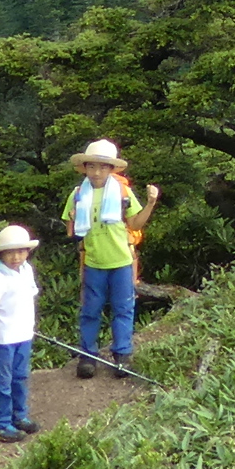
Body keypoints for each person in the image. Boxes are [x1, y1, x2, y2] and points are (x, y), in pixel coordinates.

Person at [64, 138, 158, 377]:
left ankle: (122, 355)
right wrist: (75, 219)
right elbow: (71, 231)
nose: (97, 172)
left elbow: (135, 222)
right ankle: (87, 356)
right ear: (85, 168)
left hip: (122, 261)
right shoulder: (77, 195)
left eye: (103, 167)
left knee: (123, 308)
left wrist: (151, 203)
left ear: (111, 169)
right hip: (93, 261)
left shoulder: (123, 192)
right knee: (90, 309)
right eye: (92, 166)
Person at [0, 224, 40, 443]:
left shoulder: (26, 271)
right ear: (1, 254)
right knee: (2, 382)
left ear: (27, 252)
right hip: (3, 340)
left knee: (20, 378)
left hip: (23, 335)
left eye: (20, 251)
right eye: (10, 252)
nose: (16, 256)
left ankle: (19, 416)